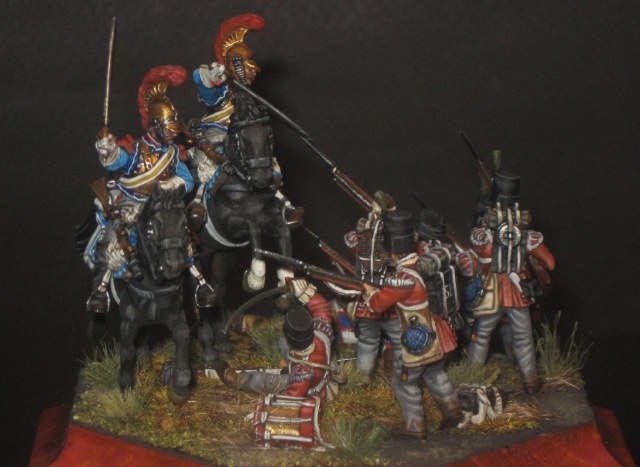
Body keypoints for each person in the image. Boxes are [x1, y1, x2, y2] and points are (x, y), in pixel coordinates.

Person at [86, 65, 216, 314]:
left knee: (185, 239)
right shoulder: (137, 149)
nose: (173, 133)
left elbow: (187, 179)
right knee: (112, 240)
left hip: (163, 204)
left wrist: (172, 184)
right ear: (156, 125)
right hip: (132, 201)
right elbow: (119, 162)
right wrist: (109, 151)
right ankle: (100, 290)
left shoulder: (172, 154)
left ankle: (201, 285)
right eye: (168, 128)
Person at [187, 14, 300, 228]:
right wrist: (212, 76)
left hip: (244, 138)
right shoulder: (222, 91)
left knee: (267, 161)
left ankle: (282, 202)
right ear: (236, 65)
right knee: (208, 163)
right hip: (219, 133)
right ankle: (198, 202)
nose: (254, 73)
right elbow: (200, 81)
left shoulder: (249, 96)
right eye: (250, 68)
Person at [363, 210, 463, 439]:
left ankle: (414, 426)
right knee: (435, 373)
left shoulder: (403, 279)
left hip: (421, 341)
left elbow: (377, 305)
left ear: (392, 251)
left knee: (403, 383)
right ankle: (453, 409)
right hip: (439, 335)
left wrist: (368, 291)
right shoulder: (423, 264)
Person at [456, 171, 556, 394]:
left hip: (491, 291)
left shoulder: (482, 235)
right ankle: (530, 380)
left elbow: (475, 259)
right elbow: (550, 262)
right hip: (517, 292)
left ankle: (471, 380)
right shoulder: (526, 234)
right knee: (523, 338)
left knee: (481, 336)